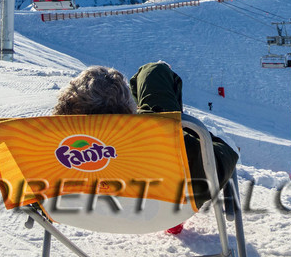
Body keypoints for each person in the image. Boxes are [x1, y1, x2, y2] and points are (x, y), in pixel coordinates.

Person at [52, 62, 238, 234]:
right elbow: (225, 156)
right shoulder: (159, 142)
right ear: (128, 109)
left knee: (155, 75)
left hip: (86, 216)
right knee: (156, 75)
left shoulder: (44, 152)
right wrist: (204, 138)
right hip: (165, 210)